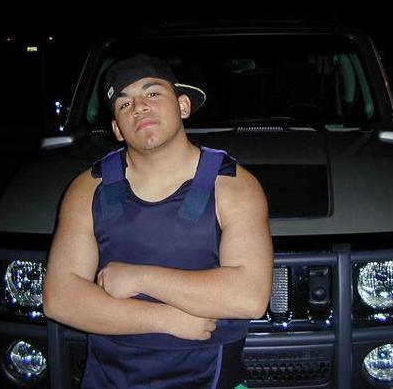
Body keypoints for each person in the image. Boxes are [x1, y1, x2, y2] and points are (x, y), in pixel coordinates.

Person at [43, 54, 273, 388]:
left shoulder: (233, 185)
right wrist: (167, 320)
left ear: (183, 106)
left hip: (210, 378)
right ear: (117, 129)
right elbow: (60, 299)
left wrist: (140, 278)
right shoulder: (88, 189)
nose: (139, 107)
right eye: (124, 104)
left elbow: (249, 296)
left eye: (152, 93)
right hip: (110, 380)